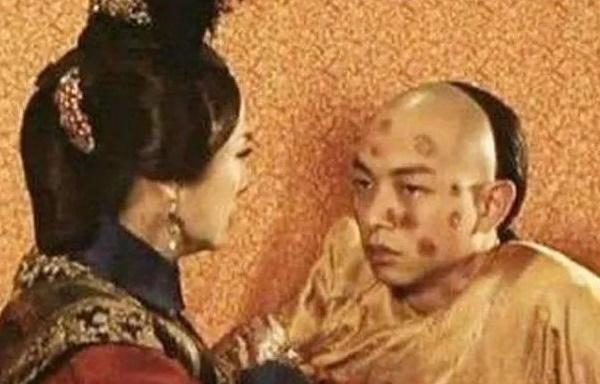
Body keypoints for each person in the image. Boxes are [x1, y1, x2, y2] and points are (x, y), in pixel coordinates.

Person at [215, 81, 600, 384]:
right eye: (364, 184)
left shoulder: (554, 302)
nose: (374, 215)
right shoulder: (349, 266)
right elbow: (237, 362)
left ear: (490, 205)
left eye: (412, 188)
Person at [0, 0, 260, 383]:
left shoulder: (75, 284)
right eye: (242, 154)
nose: (245, 183)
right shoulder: (119, 364)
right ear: (171, 182)